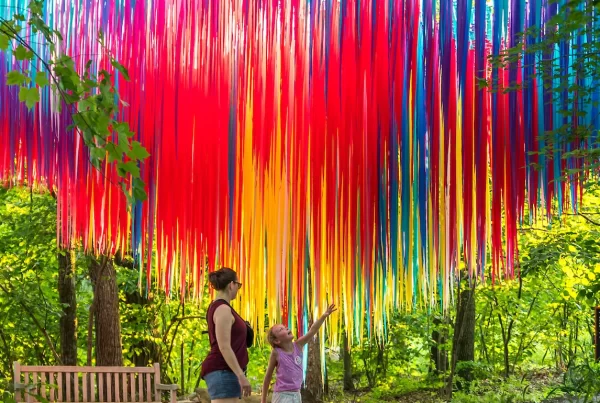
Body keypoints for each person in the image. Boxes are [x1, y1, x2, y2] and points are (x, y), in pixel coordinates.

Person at [261, 304, 337, 403]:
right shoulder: (276, 353)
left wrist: (324, 316)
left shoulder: (298, 345)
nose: (286, 328)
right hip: (282, 395)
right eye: (281, 329)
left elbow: (312, 330)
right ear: (277, 341)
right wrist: (263, 400)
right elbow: (268, 377)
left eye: (285, 327)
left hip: (297, 394)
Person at [201, 267, 252, 402]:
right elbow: (224, 347)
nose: (238, 289)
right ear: (231, 285)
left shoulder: (222, 308)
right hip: (222, 369)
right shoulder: (222, 309)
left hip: (227, 371)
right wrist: (241, 375)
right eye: (238, 285)